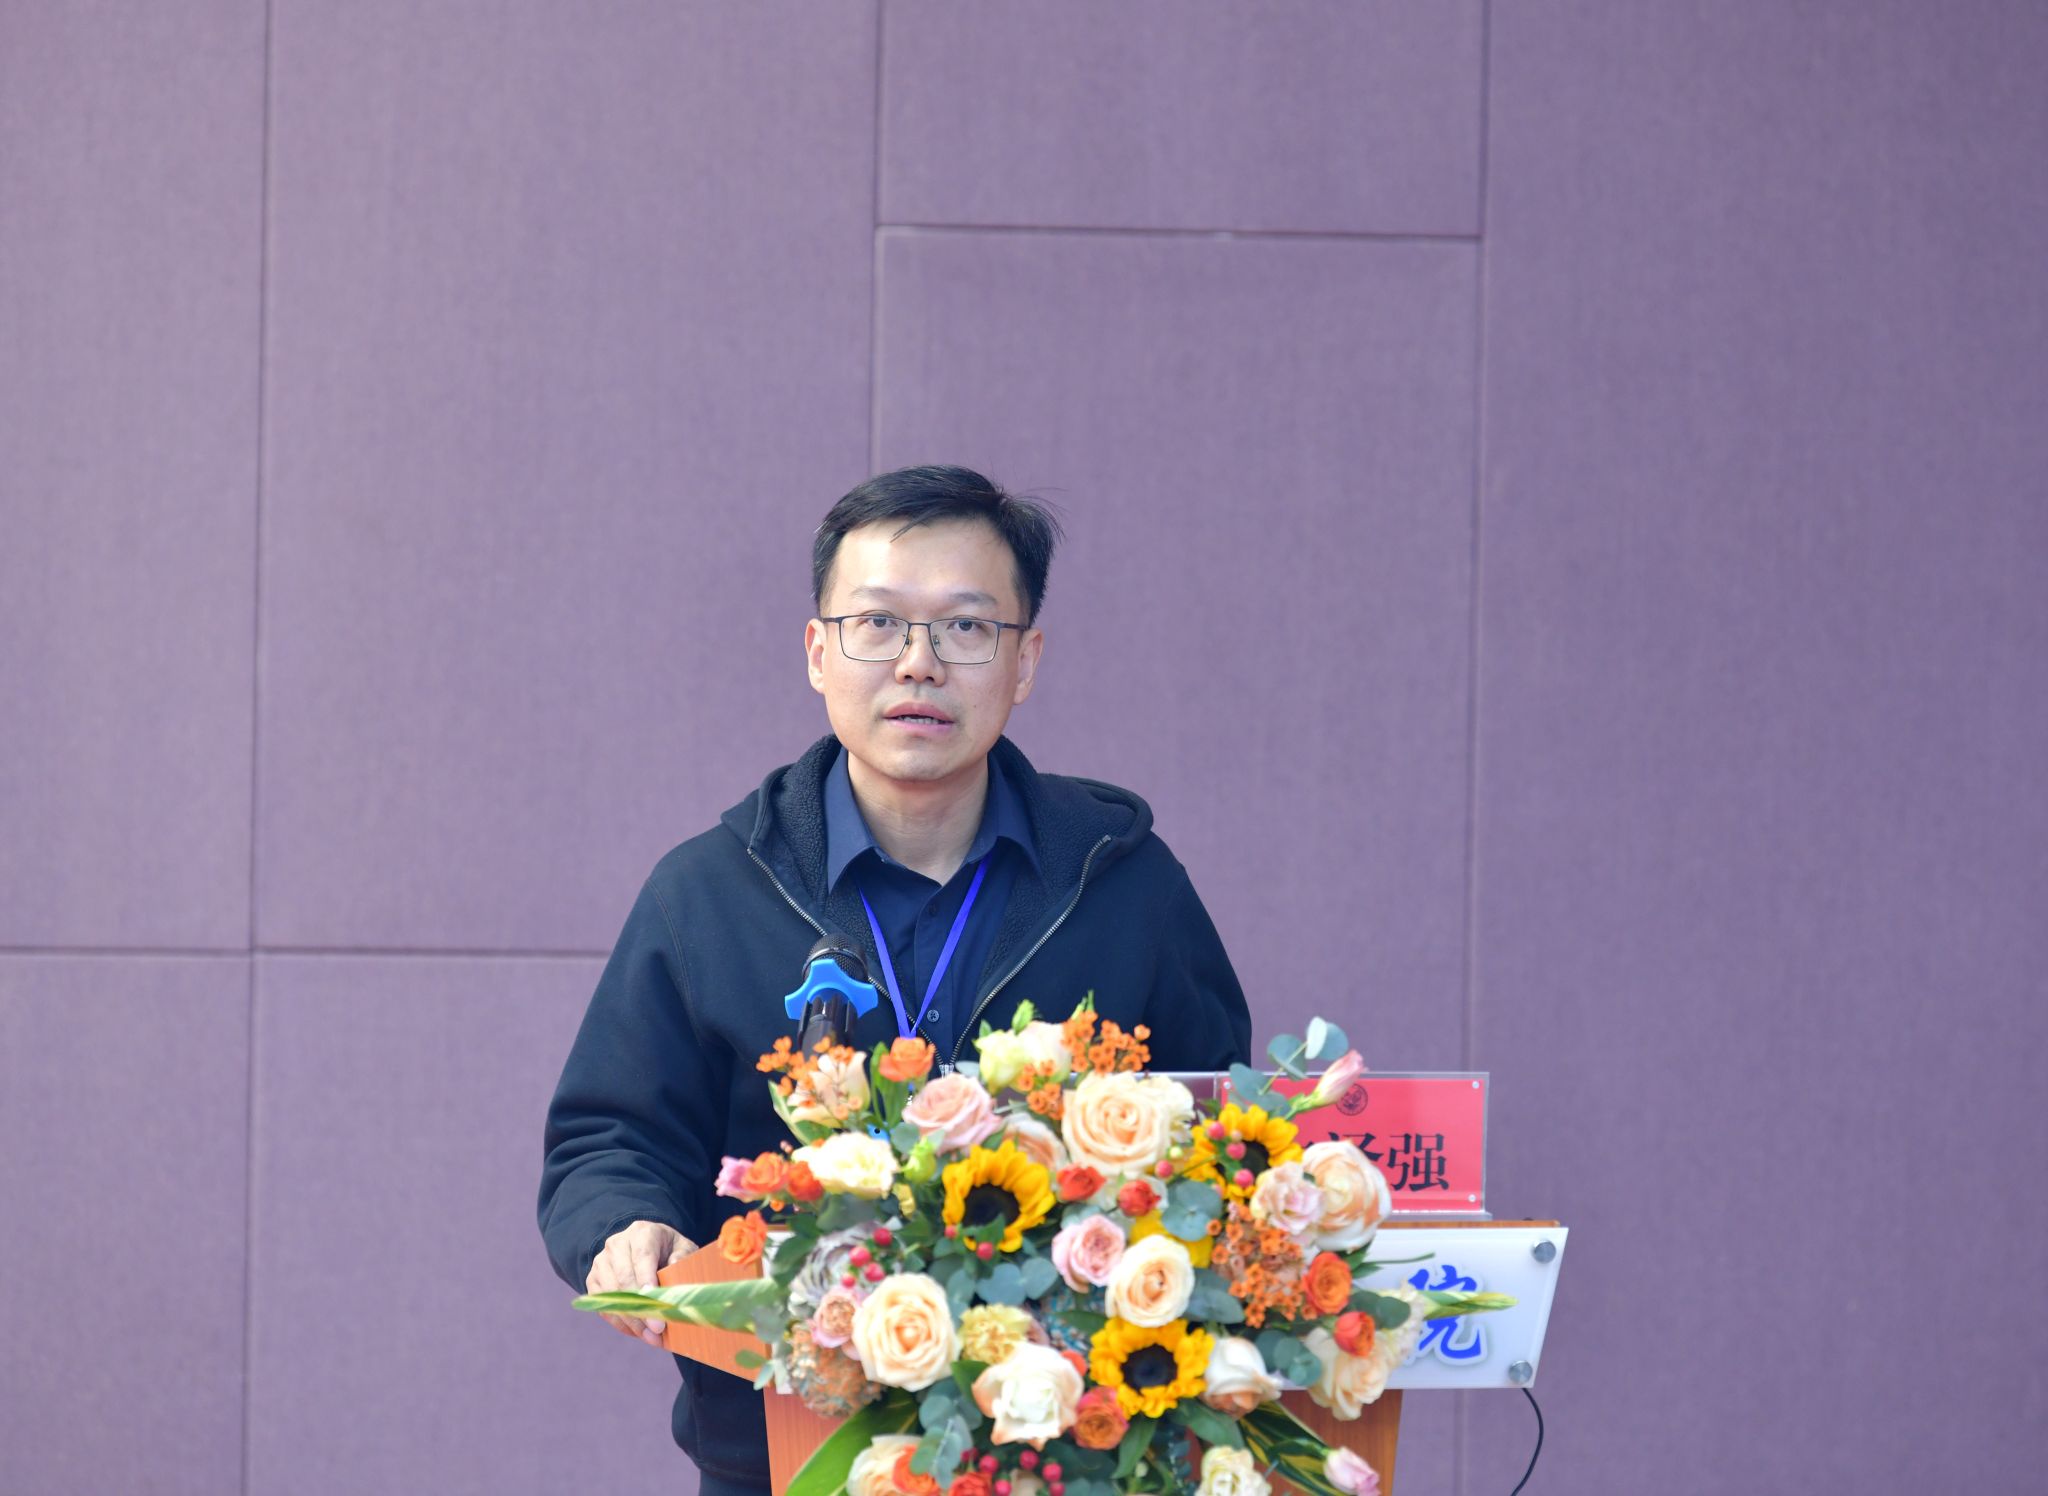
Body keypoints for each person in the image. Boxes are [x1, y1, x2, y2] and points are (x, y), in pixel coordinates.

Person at [538, 465, 1251, 1495]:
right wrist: (622, 1225)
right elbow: (610, 1135)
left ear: (1024, 661)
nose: (919, 661)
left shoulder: (1124, 885)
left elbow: (1217, 1135)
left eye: (966, 627)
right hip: (788, 1448)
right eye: (877, 623)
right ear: (817, 651)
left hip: (1074, 1449)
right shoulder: (710, 892)